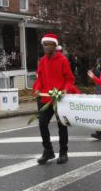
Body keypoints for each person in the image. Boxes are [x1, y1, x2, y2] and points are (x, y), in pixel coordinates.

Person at [33, 33, 78, 165]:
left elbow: (70, 79)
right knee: (42, 123)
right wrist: (37, 89)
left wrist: (65, 89)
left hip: (59, 99)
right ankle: (48, 150)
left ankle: (63, 152)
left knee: (61, 126)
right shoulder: (42, 61)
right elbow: (40, 78)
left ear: (55, 45)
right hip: (46, 99)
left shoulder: (62, 60)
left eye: (49, 44)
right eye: (44, 44)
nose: (46, 47)